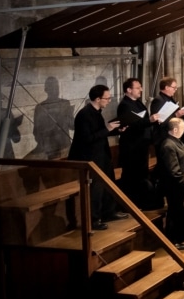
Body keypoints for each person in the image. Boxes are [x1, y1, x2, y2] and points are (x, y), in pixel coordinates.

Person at [67, 84, 126, 230]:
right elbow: (87, 138)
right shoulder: (84, 115)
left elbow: (100, 133)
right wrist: (107, 128)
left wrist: (117, 130)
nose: (109, 101)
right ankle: (93, 220)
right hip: (90, 158)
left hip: (102, 155)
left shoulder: (97, 112)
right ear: (98, 99)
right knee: (96, 189)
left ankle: (108, 212)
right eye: (107, 98)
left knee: (108, 184)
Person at [117, 78, 159, 207]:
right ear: (129, 90)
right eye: (137, 87)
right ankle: (130, 204)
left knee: (141, 174)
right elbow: (131, 124)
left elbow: (143, 120)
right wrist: (150, 120)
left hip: (141, 145)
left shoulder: (138, 103)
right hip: (132, 147)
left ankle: (141, 202)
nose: (141, 89)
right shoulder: (125, 105)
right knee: (132, 176)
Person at [157, 118, 184, 246]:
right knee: (176, 212)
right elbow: (174, 171)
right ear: (175, 129)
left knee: (181, 212)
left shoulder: (177, 141)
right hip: (175, 186)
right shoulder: (168, 145)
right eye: (183, 127)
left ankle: (182, 237)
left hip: (182, 183)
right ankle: (176, 239)